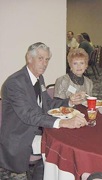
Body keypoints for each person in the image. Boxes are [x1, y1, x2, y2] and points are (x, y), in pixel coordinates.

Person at [0, 42, 88, 179]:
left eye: (47, 59)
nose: (45, 63)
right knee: (61, 146)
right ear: (29, 58)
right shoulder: (15, 83)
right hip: (22, 134)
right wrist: (63, 122)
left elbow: (47, 103)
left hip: (37, 127)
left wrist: (69, 101)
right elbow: (29, 115)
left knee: (71, 137)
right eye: (40, 58)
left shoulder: (38, 77)